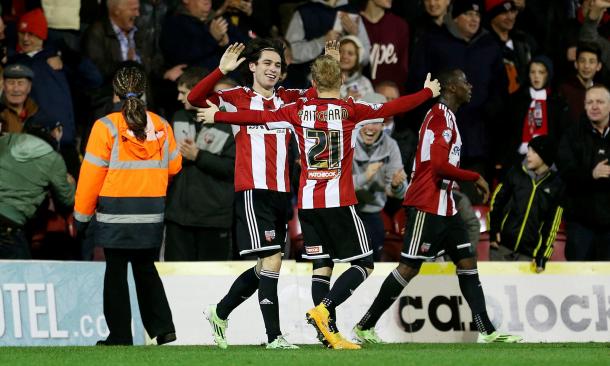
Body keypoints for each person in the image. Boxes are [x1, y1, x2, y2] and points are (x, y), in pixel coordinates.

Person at [199, 54, 440, 349]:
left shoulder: (297, 110)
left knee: (322, 266)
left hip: (308, 206)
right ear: (341, 82)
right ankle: (323, 310)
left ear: (313, 83)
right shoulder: (351, 110)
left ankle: (328, 335)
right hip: (338, 202)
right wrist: (428, 92)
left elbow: (258, 118)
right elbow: (394, 107)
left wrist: (220, 116)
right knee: (363, 264)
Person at [352, 69, 522, 344]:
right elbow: (439, 166)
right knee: (408, 267)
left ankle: (488, 331)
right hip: (426, 204)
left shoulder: (447, 118)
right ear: (452, 87)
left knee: (467, 263)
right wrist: (474, 176)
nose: (470, 86)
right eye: (465, 82)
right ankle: (365, 325)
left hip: (446, 206)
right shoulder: (440, 118)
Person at [187, 39, 322, 350]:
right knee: (272, 262)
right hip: (252, 190)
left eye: (277, 65)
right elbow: (195, 98)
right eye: (266, 63)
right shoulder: (235, 98)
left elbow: (320, 93)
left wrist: (326, 62)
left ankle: (219, 312)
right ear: (252, 67)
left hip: (281, 193)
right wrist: (220, 69)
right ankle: (274, 337)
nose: (272, 69)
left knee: (265, 267)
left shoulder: (288, 99)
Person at [73, 65, 181, 346]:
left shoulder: (105, 126)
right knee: (146, 268)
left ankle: (120, 335)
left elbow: (91, 175)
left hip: (115, 213)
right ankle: (163, 327)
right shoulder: (160, 124)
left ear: (115, 92)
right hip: (151, 212)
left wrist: (81, 216)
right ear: (144, 91)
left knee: (116, 271)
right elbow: (174, 166)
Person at [164, 66, 236, 261]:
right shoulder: (178, 118)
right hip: (178, 217)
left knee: (212, 282)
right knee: (175, 278)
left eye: (184, 93)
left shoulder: (228, 123)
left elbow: (233, 169)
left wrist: (198, 156)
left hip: (213, 218)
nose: (179, 98)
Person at [489, 135, 564, 272]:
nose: (528, 154)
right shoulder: (515, 172)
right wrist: (493, 231)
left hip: (529, 255)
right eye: (528, 149)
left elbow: (552, 225)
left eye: (534, 151)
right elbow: (496, 202)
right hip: (501, 248)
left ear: (545, 156)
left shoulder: (557, 186)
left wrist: (542, 255)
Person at [0, 129, 75, 259]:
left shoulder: (6, 141)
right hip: (9, 229)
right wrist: (71, 183)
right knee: (20, 277)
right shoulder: (54, 160)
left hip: (8, 227)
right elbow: (67, 200)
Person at [557, 84, 610, 261]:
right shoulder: (572, 134)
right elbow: (565, 172)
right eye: (590, 102)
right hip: (580, 223)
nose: (594, 106)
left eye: (600, 102)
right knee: (578, 281)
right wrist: (591, 174)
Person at [352, 92, 407, 260]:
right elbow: (336, 186)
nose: (371, 127)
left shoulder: (390, 146)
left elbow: (400, 192)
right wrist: (366, 176)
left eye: (377, 122)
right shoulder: (345, 140)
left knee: (370, 262)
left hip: (373, 213)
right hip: (345, 212)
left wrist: (397, 186)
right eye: (367, 120)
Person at [559, 42, 603, 123]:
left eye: (591, 62)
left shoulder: (603, 92)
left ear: (598, 66)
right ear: (576, 64)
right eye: (582, 61)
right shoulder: (564, 90)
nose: (586, 66)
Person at [339, 35, 374, 99]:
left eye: (350, 53)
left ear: (358, 58)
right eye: (340, 51)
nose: (344, 56)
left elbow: (372, 107)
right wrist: (345, 101)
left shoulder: (365, 84)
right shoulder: (323, 80)